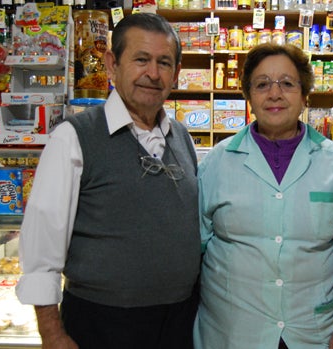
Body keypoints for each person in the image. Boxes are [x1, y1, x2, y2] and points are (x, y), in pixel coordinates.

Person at [16, 13, 201, 349]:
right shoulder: (74, 137)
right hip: (102, 324)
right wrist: (52, 333)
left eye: (164, 62)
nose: (153, 74)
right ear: (112, 65)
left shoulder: (182, 138)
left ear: (175, 73)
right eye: (141, 59)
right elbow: (42, 246)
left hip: (179, 322)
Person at [194, 43, 333, 349]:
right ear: (249, 97)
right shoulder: (216, 163)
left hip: (313, 332)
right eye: (262, 84)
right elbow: (193, 253)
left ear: (305, 96)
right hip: (231, 333)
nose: (275, 93)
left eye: (287, 83)